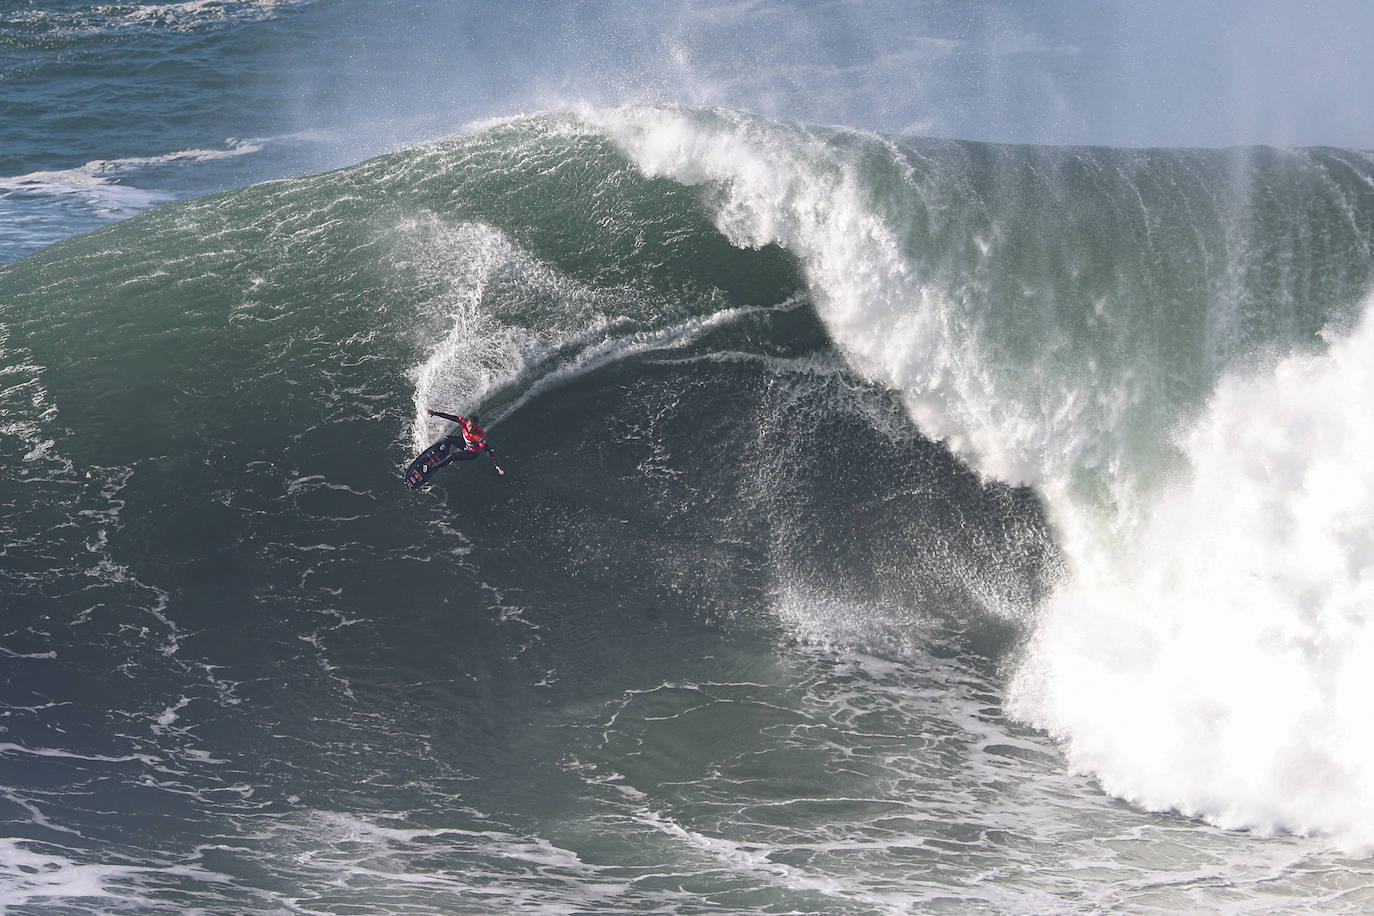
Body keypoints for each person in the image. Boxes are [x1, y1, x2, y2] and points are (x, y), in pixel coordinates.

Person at [425, 409, 505, 476]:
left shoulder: (479, 436)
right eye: (469, 426)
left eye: (473, 427)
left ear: (476, 426)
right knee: (447, 439)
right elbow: (450, 417)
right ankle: (444, 453)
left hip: (471, 453)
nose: (470, 428)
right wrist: (435, 413)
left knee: (451, 457)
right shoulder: (463, 421)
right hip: (465, 444)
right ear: (467, 423)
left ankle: (430, 469)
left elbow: (487, 451)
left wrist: (496, 465)